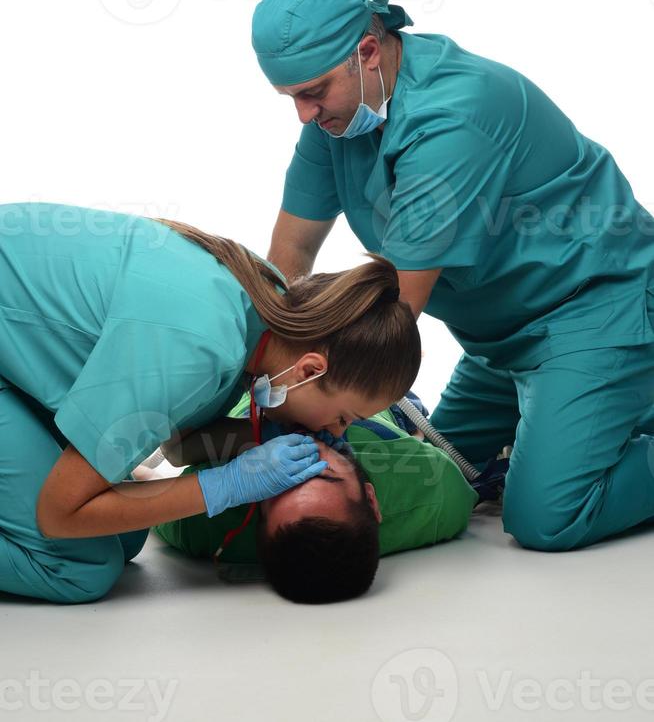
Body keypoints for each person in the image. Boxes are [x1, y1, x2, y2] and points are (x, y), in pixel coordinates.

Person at [251, 0, 654, 553]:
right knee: (445, 471)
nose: (303, 114)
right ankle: (599, 416)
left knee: (544, 515)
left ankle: (609, 403)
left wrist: (299, 392)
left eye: (312, 92)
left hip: (594, 313)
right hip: (500, 342)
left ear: (366, 52)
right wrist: (256, 370)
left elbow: (394, 314)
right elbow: (289, 256)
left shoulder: (454, 117)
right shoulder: (338, 120)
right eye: (291, 97)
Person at [0, 201, 421, 603]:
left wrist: (255, 439)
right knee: (80, 567)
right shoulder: (198, 347)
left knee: (123, 534)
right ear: (310, 371)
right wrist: (230, 483)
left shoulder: (265, 306)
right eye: (345, 417)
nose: (336, 432)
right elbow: (59, 512)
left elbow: (176, 444)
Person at [153, 393, 478, 603]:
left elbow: (150, 489)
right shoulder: (434, 492)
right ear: (372, 499)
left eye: (275, 484)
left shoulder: (207, 525)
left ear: (255, 512)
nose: (296, 455)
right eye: (323, 472)